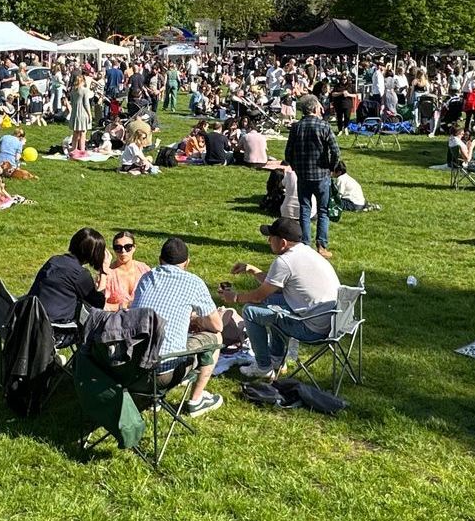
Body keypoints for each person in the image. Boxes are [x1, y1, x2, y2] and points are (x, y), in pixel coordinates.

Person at [221, 218, 341, 382]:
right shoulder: (307, 252)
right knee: (272, 302)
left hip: (312, 329)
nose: (268, 240)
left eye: (271, 237)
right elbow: (274, 285)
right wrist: (252, 270)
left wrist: (234, 297)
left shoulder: (285, 262)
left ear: (283, 242)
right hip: (332, 321)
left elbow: (258, 296)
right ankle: (276, 357)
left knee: (250, 311)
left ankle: (263, 367)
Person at [129, 238, 225, 417]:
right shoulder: (193, 282)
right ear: (187, 262)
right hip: (165, 371)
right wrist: (199, 321)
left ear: (160, 260)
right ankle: (196, 401)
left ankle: (152, 397)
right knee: (216, 338)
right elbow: (217, 325)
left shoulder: (147, 277)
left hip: (133, 368)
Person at [25, 227, 112, 345]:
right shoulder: (80, 274)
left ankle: (52, 359)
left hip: (28, 322)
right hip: (54, 332)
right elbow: (98, 304)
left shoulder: (54, 260)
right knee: (91, 329)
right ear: (94, 253)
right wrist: (104, 271)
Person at [285, 94, 340, 257]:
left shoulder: (296, 127)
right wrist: (331, 167)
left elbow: (288, 153)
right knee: (323, 210)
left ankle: (305, 244)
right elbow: (336, 151)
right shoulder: (324, 126)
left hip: (303, 175)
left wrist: (296, 167)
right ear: (315, 108)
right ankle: (321, 246)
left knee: (305, 209)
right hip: (321, 174)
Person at [100, 230, 152, 311]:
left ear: (134, 248)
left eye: (128, 247)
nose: (123, 251)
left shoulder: (144, 270)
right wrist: (124, 306)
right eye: (118, 248)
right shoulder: (108, 274)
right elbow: (99, 305)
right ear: (114, 250)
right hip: (116, 320)